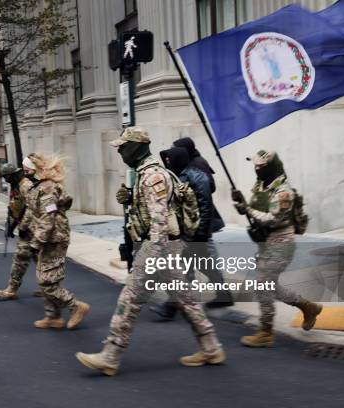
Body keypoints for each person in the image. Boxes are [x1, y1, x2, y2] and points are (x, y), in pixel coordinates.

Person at [76, 127, 224, 376]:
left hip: (158, 247)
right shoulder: (146, 173)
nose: (120, 151)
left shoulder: (152, 175)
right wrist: (131, 198)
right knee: (185, 298)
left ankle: (110, 356)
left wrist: (150, 256)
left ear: (136, 147)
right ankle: (210, 346)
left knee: (130, 298)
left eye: (123, 146)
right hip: (165, 247)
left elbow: (159, 219)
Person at [231, 150, 322, 347]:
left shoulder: (284, 192)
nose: (257, 169)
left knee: (263, 285)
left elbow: (273, 219)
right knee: (270, 286)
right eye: (255, 165)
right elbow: (258, 210)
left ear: (271, 168)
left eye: (261, 166)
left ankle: (265, 332)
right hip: (267, 241)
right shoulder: (262, 185)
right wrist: (241, 204)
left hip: (281, 243)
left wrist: (247, 209)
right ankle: (308, 307)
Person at [149, 146, 232, 321]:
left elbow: (205, 208)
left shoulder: (196, 176)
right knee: (193, 270)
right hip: (187, 235)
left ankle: (173, 307)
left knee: (193, 269)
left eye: (170, 159)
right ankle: (177, 306)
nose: (168, 163)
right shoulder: (179, 177)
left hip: (196, 236)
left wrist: (199, 236)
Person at [23, 153, 90, 329]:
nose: (25, 171)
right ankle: (53, 317)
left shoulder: (47, 188)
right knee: (49, 279)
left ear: (36, 169)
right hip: (49, 238)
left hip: (54, 239)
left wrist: (36, 243)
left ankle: (76, 306)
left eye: (27, 168)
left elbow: (48, 216)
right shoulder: (39, 187)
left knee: (46, 281)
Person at [0, 161, 42, 300]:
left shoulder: (26, 185)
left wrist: (21, 227)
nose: (5, 180)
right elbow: (15, 208)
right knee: (38, 258)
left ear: (13, 175)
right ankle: (47, 286)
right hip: (29, 229)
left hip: (31, 229)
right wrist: (10, 226)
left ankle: (12, 289)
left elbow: (32, 208)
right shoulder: (16, 186)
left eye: (6, 177)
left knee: (20, 258)